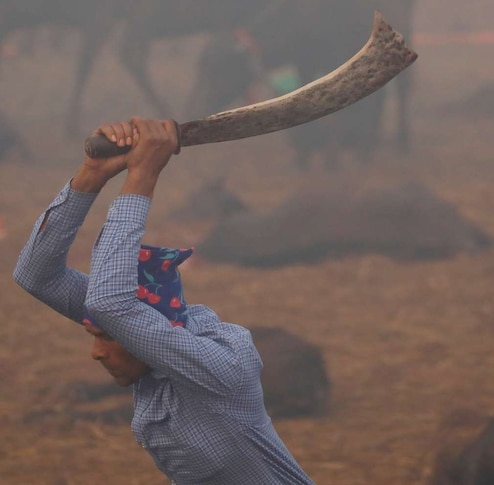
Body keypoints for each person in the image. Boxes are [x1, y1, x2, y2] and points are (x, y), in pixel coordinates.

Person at [13, 117, 316, 485]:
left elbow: (112, 305)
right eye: (95, 333)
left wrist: (142, 174)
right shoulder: (146, 345)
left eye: (107, 336)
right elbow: (35, 276)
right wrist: (92, 174)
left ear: (148, 327)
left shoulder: (223, 366)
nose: (94, 353)